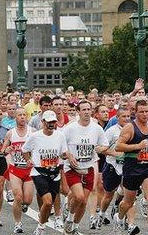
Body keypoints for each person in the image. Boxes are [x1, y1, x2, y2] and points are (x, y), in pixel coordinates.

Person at [62, 100, 109, 235]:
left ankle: (75, 227)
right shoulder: (70, 128)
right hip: (73, 168)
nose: (87, 112)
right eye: (84, 110)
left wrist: (100, 148)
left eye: (89, 109)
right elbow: (61, 147)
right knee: (79, 197)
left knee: (83, 202)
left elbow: (104, 144)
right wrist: (69, 155)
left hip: (88, 167)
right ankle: (70, 219)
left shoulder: (97, 128)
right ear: (78, 112)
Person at [115, 100, 148, 235]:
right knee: (128, 202)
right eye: (141, 112)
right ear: (135, 112)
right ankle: (119, 217)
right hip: (132, 168)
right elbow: (118, 146)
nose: (145, 114)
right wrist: (137, 146)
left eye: (147, 111)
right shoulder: (130, 127)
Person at [22, 111, 68, 235]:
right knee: (47, 202)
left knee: (50, 202)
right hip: (39, 172)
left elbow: (63, 153)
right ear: (43, 122)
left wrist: (66, 156)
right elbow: (24, 150)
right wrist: (28, 160)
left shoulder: (60, 135)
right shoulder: (35, 136)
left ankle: (42, 222)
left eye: (53, 122)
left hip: (54, 172)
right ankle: (41, 227)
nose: (51, 124)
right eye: (49, 122)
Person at [3, 107, 34, 233]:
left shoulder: (33, 131)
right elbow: (3, 150)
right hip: (15, 168)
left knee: (27, 200)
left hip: (29, 169)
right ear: (15, 117)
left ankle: (25, 205)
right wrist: (7, 150)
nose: (22, 117)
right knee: (18, 197)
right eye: (19, 115)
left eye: (24, 115)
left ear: (27, 117)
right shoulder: (10, 133)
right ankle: (18, 223)